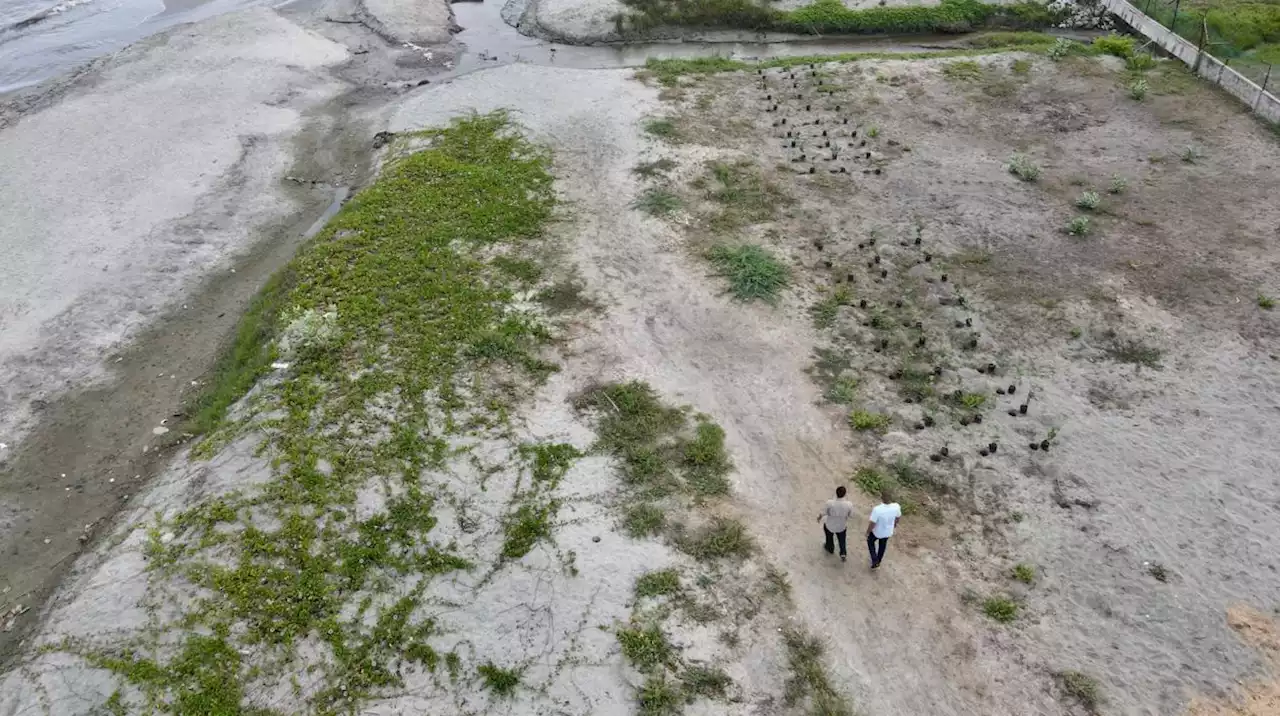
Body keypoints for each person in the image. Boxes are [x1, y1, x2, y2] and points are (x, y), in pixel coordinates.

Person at [866, 488, 901, 569]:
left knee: (870, 542)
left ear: (881, 497)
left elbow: (872, 523)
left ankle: (874, 560)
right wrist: (895, 524)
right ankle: (879, 560)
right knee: (883, 545)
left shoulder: (877, 509)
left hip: (877, 532)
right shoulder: (896, 506)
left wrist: (868, 532)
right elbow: (898, 517)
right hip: (888, 532)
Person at [817, 486, 855, 562]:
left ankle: (830, 548)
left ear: (836, 493)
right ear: (845, 494)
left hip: (830, 525)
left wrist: (819, 518)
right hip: (841, 526)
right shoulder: (849, 504)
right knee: (842, 539)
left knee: (829, 536)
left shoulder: (830, 503)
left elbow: (823, 512)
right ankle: (843, 553)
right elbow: (851, 515)